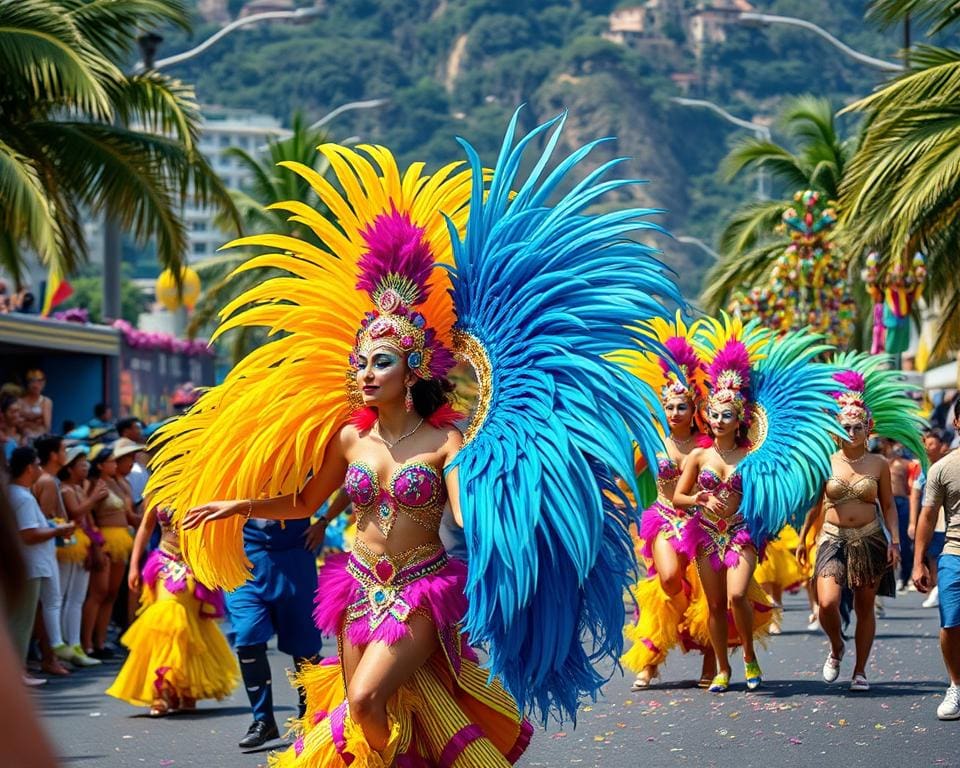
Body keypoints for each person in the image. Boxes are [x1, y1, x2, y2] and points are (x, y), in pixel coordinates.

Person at [148, 115, 681, 764]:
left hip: (422, 591)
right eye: (362, 362)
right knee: (363, 714)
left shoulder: (446, 440)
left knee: (369, 703)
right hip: (351, 587)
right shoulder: (347, 440)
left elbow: (463, 512)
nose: (366, 373)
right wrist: (239, 507)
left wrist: (523, 525)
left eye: (382, 362)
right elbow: (302, 503)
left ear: (413, 369)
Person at [673, 318, 843, 694]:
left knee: (737, 595)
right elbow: (677, 498)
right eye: (714, 415)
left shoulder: (755, 455)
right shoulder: (698, 457)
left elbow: (776, 482)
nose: (718, 421)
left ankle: (748, 655)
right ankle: (721, 668)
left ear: (740, 419)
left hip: (740, 533)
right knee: (715, 606)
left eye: (726, 415)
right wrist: (698, 498)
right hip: (704, 534)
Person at [798, 353, 924, 692]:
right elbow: (815, 503)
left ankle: (860, 670)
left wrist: (895, 541)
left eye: (857, 426)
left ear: (868, 428)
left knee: (866, 605)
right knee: (827, 601)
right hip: (832, 537)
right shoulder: (824, 461)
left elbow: (888, 506)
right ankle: (837, 646)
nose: (851, 432)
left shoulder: (879, 464)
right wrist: (802, 538)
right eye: (845, 426)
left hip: (870, 538)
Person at [106, 503, 238, 715]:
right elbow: (145, 527)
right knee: (168, 619)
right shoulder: (159, 489)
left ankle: (184, 688)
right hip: (164, 562)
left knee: (191, 623)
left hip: (196, 563)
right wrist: (133, 566)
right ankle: (161, 692)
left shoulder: (203, 485)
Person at [225, 518, 324, 748]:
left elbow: (342, 482)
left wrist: (325, 521)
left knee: (305, 647)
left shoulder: (302, 478)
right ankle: (262, 720)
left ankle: (308, 716)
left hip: (296, 556)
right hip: (245, 558)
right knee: (246, 634)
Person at [7, 446, 74, 685]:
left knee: (26, 618)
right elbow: (28, 533)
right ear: (28, 468)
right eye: (36, 464)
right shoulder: (22, 497)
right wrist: (59, 530)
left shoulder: (19, 493)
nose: (39, 469)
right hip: (32, 563)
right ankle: (18, 672)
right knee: (22, 621)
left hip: (34, 563)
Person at [914, 398, 960, 719]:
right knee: (951, 624)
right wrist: (918, 561)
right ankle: (956, 685)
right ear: (957, 423)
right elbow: (928, 518)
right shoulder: (942, 467)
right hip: (954, 555)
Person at [81, 444, 137, 658]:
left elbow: (130, 514)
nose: (116, 464)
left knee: (111, 594)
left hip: (121, 541)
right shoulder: (93, 484)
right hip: (103, 541)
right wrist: (95, 542)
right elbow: (87, 514)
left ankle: (101, 642)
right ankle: (88, 644)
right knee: (98, 593)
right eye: (111, 461)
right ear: (101, 465)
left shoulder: (118, 483)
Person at [56, 444, 106, 667]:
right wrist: (94, 497)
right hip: (70, 544)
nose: (85, 467)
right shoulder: (66, 490)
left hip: (82, 543)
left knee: (76, 597)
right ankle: (66, 644)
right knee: (65, 596)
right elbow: (76, 514)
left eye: (86, 463)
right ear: (69, 469)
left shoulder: (77, 489)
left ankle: (75, 643)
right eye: (80, 464)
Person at [31, 434, 75, 673]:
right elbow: (46, 518)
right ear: (53, 455)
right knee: (51, 602)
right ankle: (50, 656)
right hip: (46, 548)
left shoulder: (49, 480)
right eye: (62, 449)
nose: (66, 453)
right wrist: (63, 529)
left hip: (45, 548)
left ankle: (50, 656)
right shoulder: (48, 481)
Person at [910, 428, 951, 608]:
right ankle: (937, 588)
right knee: (934, 556)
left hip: (949, 520)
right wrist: (913, 521)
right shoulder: (927, 469)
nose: (927, 448)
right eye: (925, 444)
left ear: (942, 446)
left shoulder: (950, 464)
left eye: (931, 444)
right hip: (934, 519)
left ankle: (941, 589)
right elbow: (916, 492)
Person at [880, 437, 915, 589]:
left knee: (903, 541)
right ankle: (886, 577)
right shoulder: (880, 462)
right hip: (884, 503)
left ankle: (904, 576)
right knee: (883, 540)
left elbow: (912, 486)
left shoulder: (905, 464)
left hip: (901, 503)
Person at [18, 370, 51, 442]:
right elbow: (17, 424)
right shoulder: (20, 401)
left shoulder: (46, 401)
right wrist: (36, 420)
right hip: (23, 439)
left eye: (39, 381)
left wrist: (27, 420)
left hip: (41, 439)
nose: (35, 385)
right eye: (32, 381)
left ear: (44, 383)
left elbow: (47, 426)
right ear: (27, 383)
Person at [1, 393, 23, 460]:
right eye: (12, 412)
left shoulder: (24, 437)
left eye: (18, 411)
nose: (16, 415)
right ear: (3, 415)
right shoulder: (2, 439)